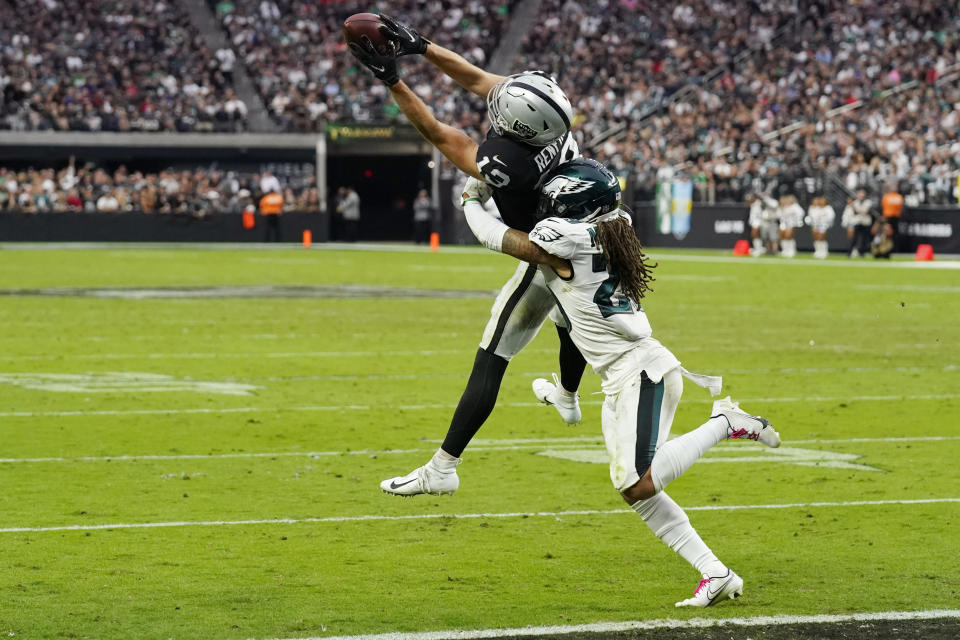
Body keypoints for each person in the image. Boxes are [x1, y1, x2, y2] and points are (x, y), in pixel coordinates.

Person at [460, 157, 781, 607]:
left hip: (641, 370)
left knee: (637, 481)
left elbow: (500, 238)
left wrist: (471, 199)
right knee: (636, 491)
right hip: (621, 376)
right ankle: (716, 573)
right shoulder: (617, 222)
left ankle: (725, 422)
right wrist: (563, 393)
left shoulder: (569, 239)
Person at [349, 13, 586, 497]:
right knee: (569, 321)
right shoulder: (547, 119)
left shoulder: (509, 164)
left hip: (547, 252)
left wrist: (392, 78)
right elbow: (480, 80)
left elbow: (438, 134)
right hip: (582, 236)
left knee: (492, 355)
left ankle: (443, 467)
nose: (493, 102)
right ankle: (567, 394)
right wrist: (421, 46)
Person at [841, 190, 873, 257]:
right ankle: (850, 252)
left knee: (864, 239)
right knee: (854, 238)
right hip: (857, 222)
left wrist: (858, 210)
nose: (861, 197)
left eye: (863, 195)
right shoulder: (855, 203)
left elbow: (866, 211)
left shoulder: (868, 202)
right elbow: (856, 212)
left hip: (865, 222)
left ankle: (862, 252)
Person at [747, 192, 780, 256]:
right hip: (763, 221)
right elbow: (749, 203)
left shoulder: (771, 201)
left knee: (773, 238)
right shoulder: (757, 203)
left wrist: (765, 198)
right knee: (765, 237)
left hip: (771, 221)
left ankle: (775, 250)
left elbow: (774, 205)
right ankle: (765, 250)